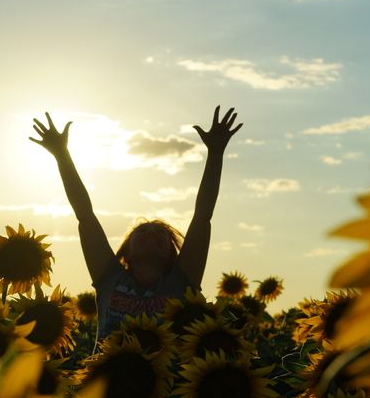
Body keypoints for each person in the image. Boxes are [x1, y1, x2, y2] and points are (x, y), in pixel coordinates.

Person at [30, 106, 242, 343]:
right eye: (142, 232)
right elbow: (85, 215)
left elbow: (203, 216)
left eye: (160, 234)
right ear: (126, 252)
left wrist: (215, 153)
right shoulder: (109, 277)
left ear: (173, 253)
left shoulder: (183, 281)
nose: (151, 234)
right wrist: (61, 154)